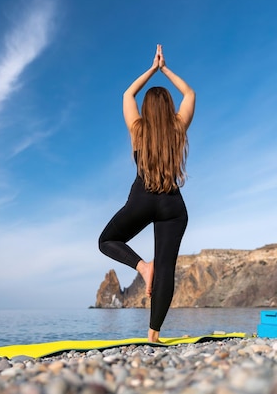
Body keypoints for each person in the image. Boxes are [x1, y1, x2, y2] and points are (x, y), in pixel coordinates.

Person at [98, 44, 195, 342]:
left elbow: (128, 94)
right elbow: (189, 94)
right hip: (172, 205)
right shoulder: (178, 128)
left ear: (146, 110)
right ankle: (153, 336)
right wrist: (166, 70)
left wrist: (152, 69)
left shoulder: (137, 129)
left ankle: (143, 266)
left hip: (142, 198)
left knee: (107, 240)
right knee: (167, 268)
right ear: (168, 107)